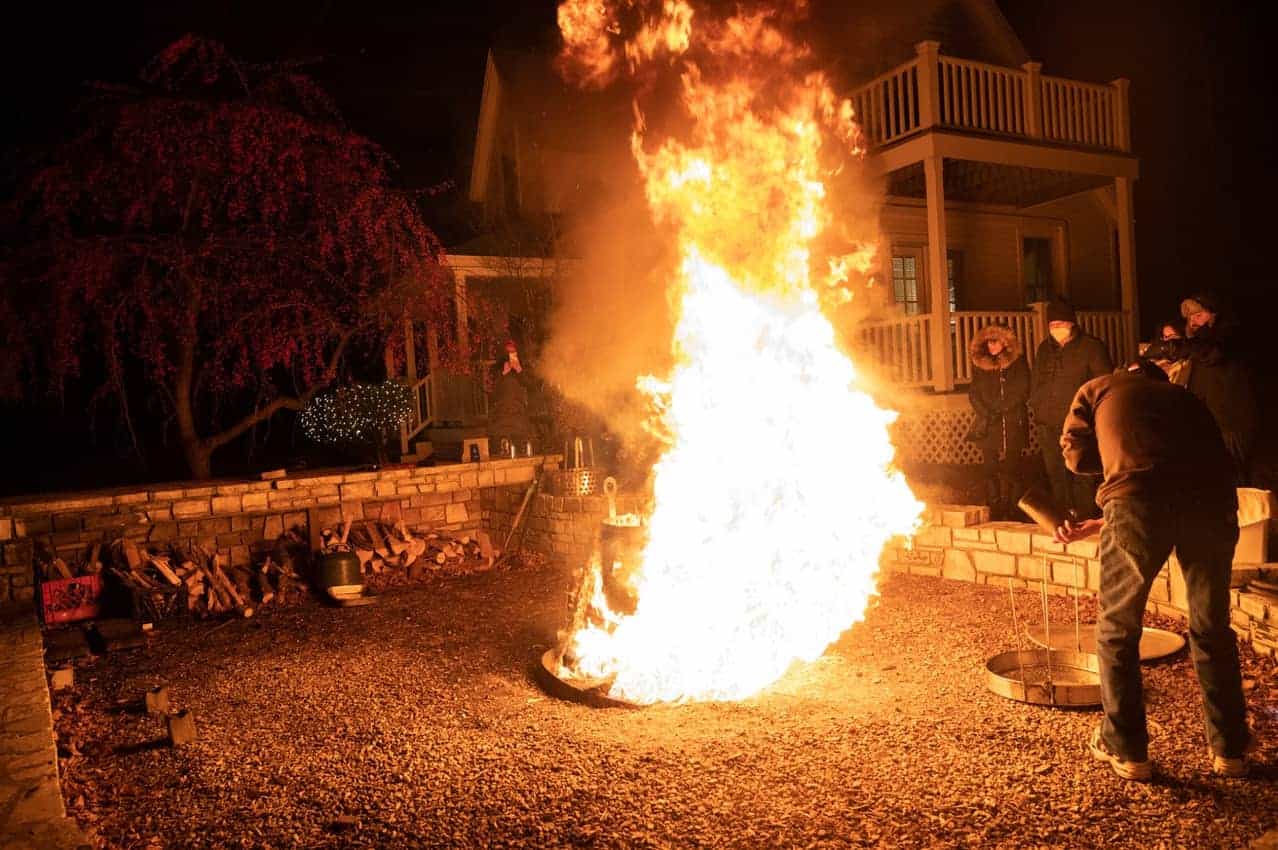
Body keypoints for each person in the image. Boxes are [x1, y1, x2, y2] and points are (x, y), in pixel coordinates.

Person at [1055, 358, 1252, 781]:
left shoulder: (1098, 388)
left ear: (1127, 372)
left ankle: (1126, 748)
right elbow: (1171, 470)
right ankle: (1230, 751)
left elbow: (1076, 455)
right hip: (1213, 505)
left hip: (1139, 504)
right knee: (1211, 627)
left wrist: (1115, 478)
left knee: (1116, 630)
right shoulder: (1186, 398)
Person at [1029, 299, 1113, 519]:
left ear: (1071, 323)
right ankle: (1063, 517)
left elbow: (1103, 383)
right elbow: (1036, 382)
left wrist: (1091, 415)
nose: (1057, 329)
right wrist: (1038, 407)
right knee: (1056, 474)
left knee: (1081, 472)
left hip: (1079, 423)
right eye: (1052, 324)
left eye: (1061, 323)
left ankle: (1084, 517)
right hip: (1048, 424)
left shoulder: (1091, 348)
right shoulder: (1044, 349)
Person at [1179, 293, 1256, 483]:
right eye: (1189, 317)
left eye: (1198, 315)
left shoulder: (1229, 335)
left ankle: (1244, 509)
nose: (1193, 321)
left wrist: (1180, 345)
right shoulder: (1199, 343)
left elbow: (1212, 354)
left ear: (1213, 314)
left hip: (1231, 421)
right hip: (1208, 420)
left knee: (1235, 474)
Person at [965, 324, 1030, 519]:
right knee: (990, 466)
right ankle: (994, 504)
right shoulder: (981, 365)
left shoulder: (1018, 363)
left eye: (996, 342)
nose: (992, 346)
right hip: (988, 421)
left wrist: (1004, 408)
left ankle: (1013, 505)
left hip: (1012, 420)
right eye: (989, 342)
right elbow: (974, 392)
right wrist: (985, 412)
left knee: (1012, 466)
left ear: (1005, 343)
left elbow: (1023, 388)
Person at [488, 339, 532, 458]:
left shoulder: (522, 366)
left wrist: (519, 370)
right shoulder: (496, 369)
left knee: (519, 438)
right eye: (509, 352)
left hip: (518, 410)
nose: (511, 355)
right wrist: (503, 373)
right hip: (502, 411)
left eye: (513, 352)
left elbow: (530, 384)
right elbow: (491, 389)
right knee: (502, 439)